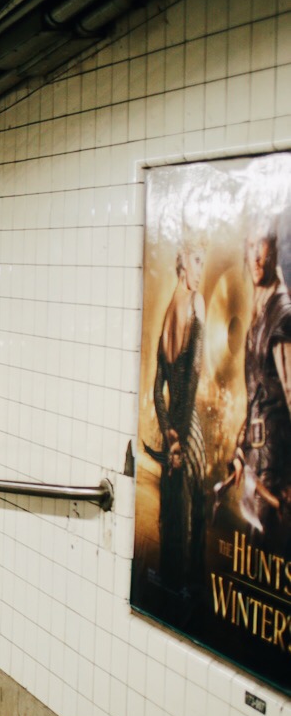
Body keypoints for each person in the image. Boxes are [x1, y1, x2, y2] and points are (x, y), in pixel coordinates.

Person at [225, 226, 291, 552]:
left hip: (276, 475)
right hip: (257, 467)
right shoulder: (261, 311)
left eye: (260, 244)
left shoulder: (282, 315)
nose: (254, 255)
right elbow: (256, 399)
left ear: (273, 247)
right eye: (249, 244)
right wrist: (240, 452)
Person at [152, 244, 206, 588]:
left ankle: (169, 580)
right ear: (183, 262)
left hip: (171, 425)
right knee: (193, 509)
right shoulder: (195, 303)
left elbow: (158, 392)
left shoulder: (166, 319)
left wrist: (168, 432)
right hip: (188, 426)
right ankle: (187, 588)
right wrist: (182, 437)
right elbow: (195, 372)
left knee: (170, 505)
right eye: (198, 260)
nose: (202, 269)